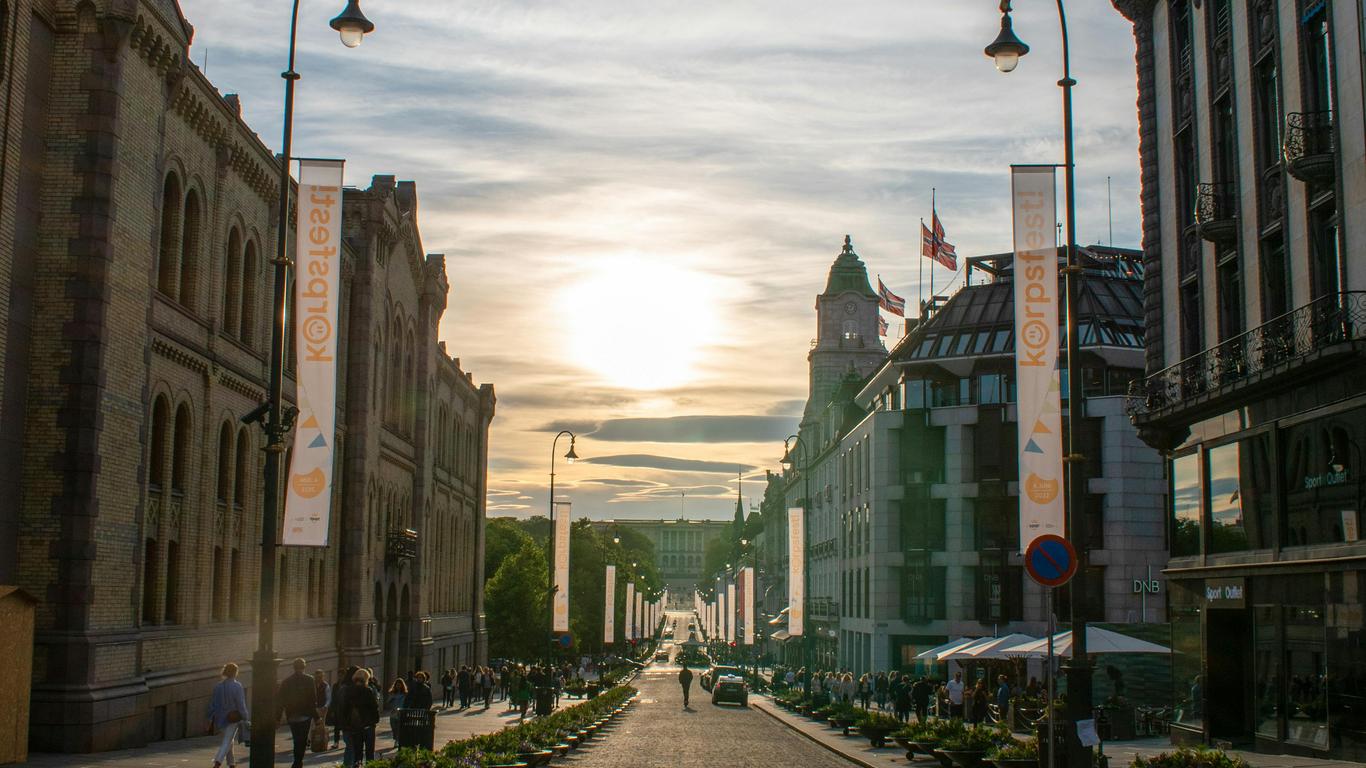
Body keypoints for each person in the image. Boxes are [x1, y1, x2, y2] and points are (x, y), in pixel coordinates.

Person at [206, 662, 248, 768]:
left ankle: (231, 764)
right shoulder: (237, 686)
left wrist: (210, 719)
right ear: (235, 673)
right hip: (232, 718)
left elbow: (213, 704)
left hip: (220, 718)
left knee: (229, 739)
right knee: (227, 741)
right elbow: (241, 704)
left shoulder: (218, 686)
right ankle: (217, 762)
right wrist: (245, 716)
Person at [278, 658, 317, 768]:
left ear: (294, 667)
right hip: (305, 715)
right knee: (303, 739)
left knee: (296, 739)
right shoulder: (309, 680)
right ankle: (298, 762)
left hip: (292, 715)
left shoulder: (286, 681)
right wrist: (317, 717)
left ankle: (297, 762)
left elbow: (280, 700)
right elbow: (312, 700)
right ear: (304, 667)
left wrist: (278, 717)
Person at [346, 668, 381, 767]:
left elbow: (345, 708)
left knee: (358, 752)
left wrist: (347, 724)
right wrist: (375, 720)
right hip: (368, 724)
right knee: (369, 752)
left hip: (355, 725)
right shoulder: (367, 691)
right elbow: (374, 707)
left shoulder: (349, 691)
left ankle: (358, 765)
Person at [386, 678, 408, 749]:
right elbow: (388, 703)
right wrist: (391, 698)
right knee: (393, 727)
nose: (398, 686)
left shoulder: (405, 694)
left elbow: (406, 703)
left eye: (400, 685)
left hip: (401, 712)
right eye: (397, 685)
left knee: (399, 727)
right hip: (393, 713)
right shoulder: (392, 693)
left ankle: (397, 741)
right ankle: (396, 738)